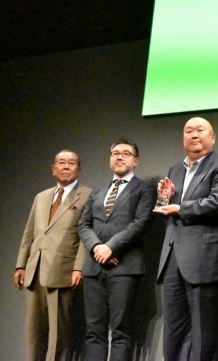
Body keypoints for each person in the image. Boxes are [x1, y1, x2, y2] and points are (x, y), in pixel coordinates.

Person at [154, 117, 218, 361]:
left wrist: (180, 207)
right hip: (173, 258)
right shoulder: (175, 169)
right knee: (173, 333)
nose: (193, 135)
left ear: (212, 137)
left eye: (200, 130)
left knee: (204, 334)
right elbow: (169, 208)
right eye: (188, 131)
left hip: (204, 259)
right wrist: (166, 198)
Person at [77, 137, 156, 361]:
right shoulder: (98, 190)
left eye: (126, 153)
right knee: (94, 331)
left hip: (125, 267)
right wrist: (97, 248)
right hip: (94, 269)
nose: (120, 157)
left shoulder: (145, 189)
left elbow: (141, 223)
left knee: (121, 331)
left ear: (136, 161)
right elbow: (83, 224)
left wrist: (110, 248)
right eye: (115, 153)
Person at [14, 150, 91, 361]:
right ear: (53, 168)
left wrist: (78, 267)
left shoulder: (87, 195)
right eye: (61, 162)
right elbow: (29, 233)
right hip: (35, 271)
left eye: (71, 163)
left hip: (63, 271)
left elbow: (86, 235)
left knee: (60, 335)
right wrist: (21, 265)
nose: (66, 166)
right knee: (34, 333)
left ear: (79, 168)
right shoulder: (41, 196)